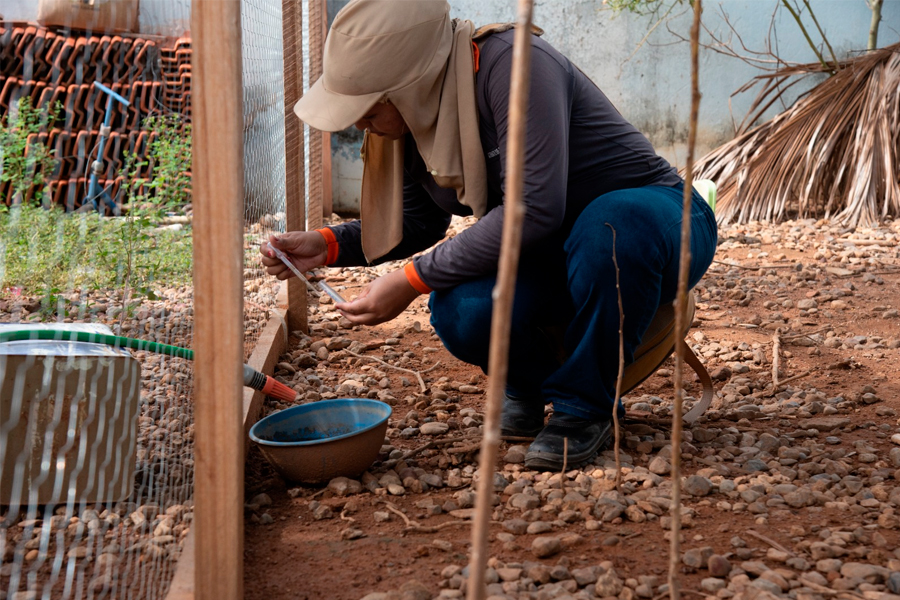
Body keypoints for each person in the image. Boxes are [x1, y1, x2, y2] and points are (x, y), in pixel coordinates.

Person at [260, 0, 718, 471]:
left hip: (656, 226)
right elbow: (416, 224)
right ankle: (531, 383)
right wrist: (327, 245)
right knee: (462, 308)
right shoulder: (416, 120)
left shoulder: (516, 66)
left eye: (369, 109)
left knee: (611, 224)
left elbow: (532, 210)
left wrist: (410, 279)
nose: (359, 125)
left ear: (410, 86)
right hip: (559, 251)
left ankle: (586, 407)